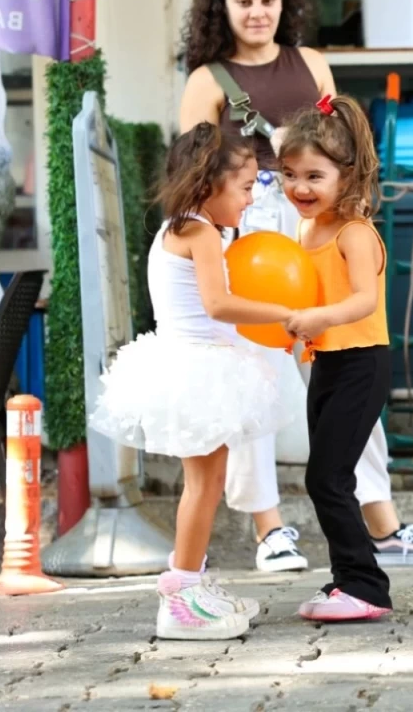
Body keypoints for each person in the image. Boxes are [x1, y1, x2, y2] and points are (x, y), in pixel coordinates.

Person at [177, 0, 413, 573]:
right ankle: (268, 528)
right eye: (243, 0)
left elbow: (342, 145)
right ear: (222, 8)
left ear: (286, 1)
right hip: (249, 229)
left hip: (320, 220)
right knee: (252, 370)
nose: (257, 11)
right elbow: (194, 171)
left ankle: (380, 520)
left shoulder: (311, 62)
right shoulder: (207, 80)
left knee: (346, 360)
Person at [89, 122, 294, 641]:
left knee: (207, 483)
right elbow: (218, 304)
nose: (251, 199)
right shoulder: (199, 231)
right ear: (209, 183)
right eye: (245, 188)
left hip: (196, 363)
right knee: (203, 486)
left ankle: (193, 580)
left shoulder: (181, 226)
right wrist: (286, 312)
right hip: (198, 367)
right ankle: (180, 596)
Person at [277, 93, 395, 622]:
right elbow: (312, 293)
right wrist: (300, 330)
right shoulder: (307, 230)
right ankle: (348, 580)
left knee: (328, 477)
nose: (299, 188)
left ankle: (365, 587)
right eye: (290, 174)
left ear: (346, 177)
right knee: (324, 476)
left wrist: (318, 320)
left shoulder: (355, 232)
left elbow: (363, 301)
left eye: (314, 176)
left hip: (362, 363)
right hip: (326, 362)